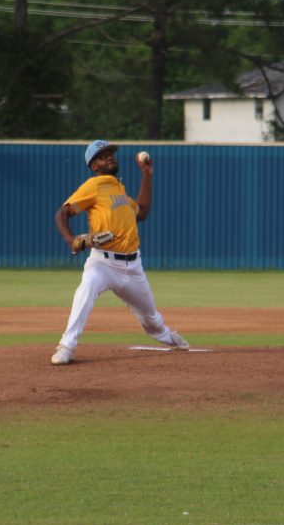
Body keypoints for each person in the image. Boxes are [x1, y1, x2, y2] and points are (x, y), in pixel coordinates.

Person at [50, 140, 188, 365]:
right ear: (94, 166)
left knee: (151, 319)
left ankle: (167, 336)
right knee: (86, 288)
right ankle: (67, 345)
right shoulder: (93, 185)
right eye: (103, 155)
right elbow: (62, 213)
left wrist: (146, 175)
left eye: (111, 153)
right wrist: (70, 239)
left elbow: (141, 213)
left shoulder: (119, 189)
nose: (110, 157)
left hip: (133, 267)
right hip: (102, 264)